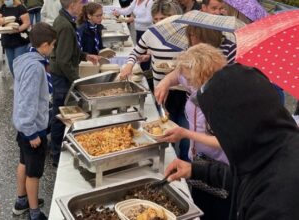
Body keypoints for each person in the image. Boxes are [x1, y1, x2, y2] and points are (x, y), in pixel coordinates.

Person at [168, 63, 299, 219]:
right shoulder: (270, 144)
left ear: (236, 124)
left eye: (214, 125)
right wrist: (194, 170)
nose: (214, 130)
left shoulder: (278, 201)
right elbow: (244, 176)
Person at [158, 43, 230, 220]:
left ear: (205, 74)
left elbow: (226, 141)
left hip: (221, 168)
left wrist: (186, 134)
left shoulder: (225, 97)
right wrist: (165, 82)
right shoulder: (194, 81)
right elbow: (177, 75)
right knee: (200, 206)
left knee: (217, 212)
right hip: (198, 161)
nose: (186, 83)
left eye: (190, 79)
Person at [119, 0, 190, 160]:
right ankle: (171, 161)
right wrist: (129, 65)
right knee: (166, 130)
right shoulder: (151, 33)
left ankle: (186, 163)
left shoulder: (186, 33)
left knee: (185, 130)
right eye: (156, 19)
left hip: (185, 91)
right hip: (162, 91)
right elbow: (134, 52)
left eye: (164, 18)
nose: (160, 23)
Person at [11, 22, 56, 220]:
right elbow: (28, 101)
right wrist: (32, 132)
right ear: (44, 45)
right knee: (34, 173)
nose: (53, 48)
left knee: (23, 162)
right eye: (53, 45)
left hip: (24, 125)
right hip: (32, 128)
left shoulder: (24, 59)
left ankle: (21, 201)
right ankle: (34, 212)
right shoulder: (36, 68)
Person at [49, 0, 99, 167]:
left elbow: (71, 50)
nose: (82, 7)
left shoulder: (66, 19)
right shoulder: (64, 25)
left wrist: (85, 56)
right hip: (61, 76)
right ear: (73, 5)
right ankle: (55, 153)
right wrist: (76, 80)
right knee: (61, 113)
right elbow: (63, 60)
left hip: (62, 73)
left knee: (60, 110)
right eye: (81, 4)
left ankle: (54, 145)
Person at [113, 0, 154, 71]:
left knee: (145, 55)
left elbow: (149, 20)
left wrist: (133, 19)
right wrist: (117, 11)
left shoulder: (149, 2)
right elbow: (128, 10)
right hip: (138, 31)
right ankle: (140, 70)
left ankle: (145, 72)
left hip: (147, 32)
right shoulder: (136, 1)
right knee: (140, 53)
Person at [0, 0, 30, 78]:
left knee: (18, 62)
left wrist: (17, 30)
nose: (7, 1)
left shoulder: (20, 8)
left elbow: (27, 23)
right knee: (11, 63)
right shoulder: (2, 8)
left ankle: (21, 81)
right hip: (7, 40)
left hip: (20, 40)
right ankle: (16, 80)